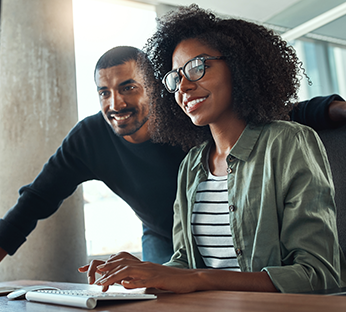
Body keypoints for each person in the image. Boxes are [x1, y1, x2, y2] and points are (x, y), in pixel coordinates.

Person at [0, 45, 345, 266]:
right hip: (164, 237)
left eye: (128, 88)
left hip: (229, 232)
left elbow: (278, 113)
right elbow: (33, 202)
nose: (114, 104)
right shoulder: (89, 138)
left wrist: (335, 109)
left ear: (152, 87)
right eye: (103, 92)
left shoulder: (188, 113)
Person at [86, 5, 346, 294]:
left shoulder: (289, 143)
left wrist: (201, 278)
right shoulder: (191, 165)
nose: (183, 86)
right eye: (175, 77)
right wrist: (142, 274)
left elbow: (318, 276)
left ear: (237, 65)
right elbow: (185, 264)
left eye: (197, 67)